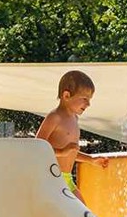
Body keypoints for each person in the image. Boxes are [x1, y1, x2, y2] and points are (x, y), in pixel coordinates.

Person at [36, 70, 109, 201]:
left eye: (89, 100)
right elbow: (37, 148)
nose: (88, 104)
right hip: (52, 179)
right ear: (66, 95)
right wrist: (62, 151)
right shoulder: (55, 117)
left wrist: (91, 160)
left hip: (67, 179)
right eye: (84, 99)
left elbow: (71, 152)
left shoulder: (74, 119)